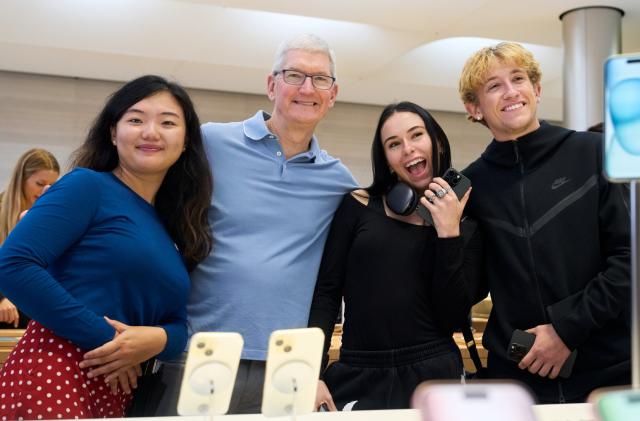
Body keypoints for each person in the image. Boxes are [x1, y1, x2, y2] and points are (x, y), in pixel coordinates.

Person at [150, 33, 357, 415]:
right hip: (199, 352)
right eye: (294, 75)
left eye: (320, 79)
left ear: (332, 94)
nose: (307, 88)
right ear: (271, 84)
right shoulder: (209, 143)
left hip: (287, 365)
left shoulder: (339, 181)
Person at [0, 74, 212, 419]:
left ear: (186, 140)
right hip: (53, 370)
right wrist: (110, 342)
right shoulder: (87, 186)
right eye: (135, 119)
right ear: (113, 133)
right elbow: (12, 265)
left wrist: (156, 340)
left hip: (117, 388)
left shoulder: (171, 225)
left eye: (168, 122)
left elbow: (176, 323)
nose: (151, 132)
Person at [458, 42, 630, 403]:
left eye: (518, 78)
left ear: (535, 89)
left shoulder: (593, 152)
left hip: (608, 372)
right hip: (519, 379)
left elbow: (630, 259)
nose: (510, 92)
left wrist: (566, 331)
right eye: (493, 86)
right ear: (474, 108)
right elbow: (466, 290)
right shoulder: (473, 186)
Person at [308, 101, 482, 410]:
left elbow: (452, 317)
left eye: (416, 135)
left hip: (434, 374)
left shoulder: (465, 225)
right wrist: (310, 372)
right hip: (358, 372)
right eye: (394, 144)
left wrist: (448, 234)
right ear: (387, 160)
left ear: (437, 142)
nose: (408, 149)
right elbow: (327, 293)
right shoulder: (357, 207)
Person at [0, 148, 59, 329]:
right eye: (40, 183)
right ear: (22, 180)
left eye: (52, 185)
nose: (45, 191)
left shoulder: (49, 216)